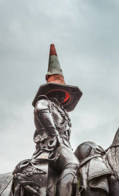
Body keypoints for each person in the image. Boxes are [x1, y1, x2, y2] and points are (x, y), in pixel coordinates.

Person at [32, 44, 82, 196]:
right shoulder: (44, 102)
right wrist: (55, 136)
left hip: (63, 147)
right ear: (51, 92)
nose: (61, 96)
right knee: (73, 164)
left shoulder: (63, 112)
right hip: (50, 147)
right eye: (58, 93)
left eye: (63, 94)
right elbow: (41, 111)